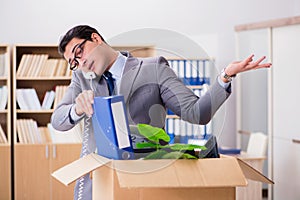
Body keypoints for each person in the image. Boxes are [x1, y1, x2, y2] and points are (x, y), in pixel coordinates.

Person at [51, 25, 271, 200]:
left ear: (96, 39)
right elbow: (58, 120)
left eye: (79, 52)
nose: (80, 62)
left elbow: (196, 113)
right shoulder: (81, 79)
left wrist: (224, 78)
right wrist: (76, 108)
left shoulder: (153, 68)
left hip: (147, 181)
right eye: (74, 62)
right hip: (99, 184)